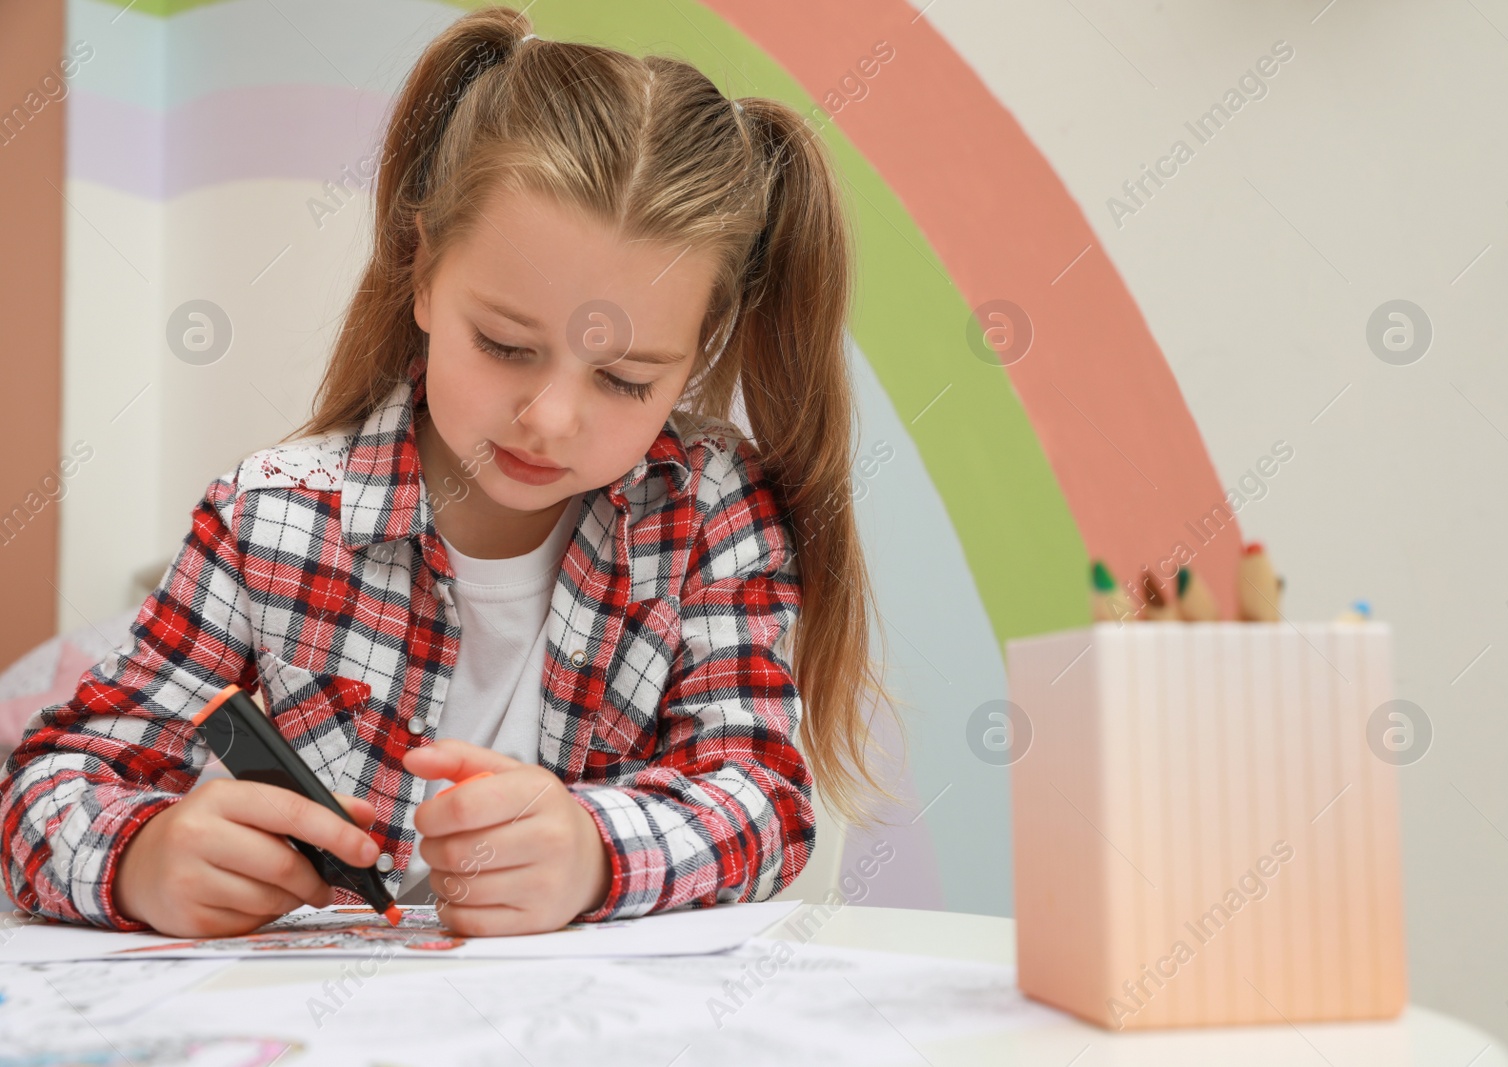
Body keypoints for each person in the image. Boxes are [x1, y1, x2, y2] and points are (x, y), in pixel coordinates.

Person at [0, 7, 895, 938]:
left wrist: (592, 852)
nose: (550, 419)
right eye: (506, 345)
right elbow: (46, 784)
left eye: (627, 380)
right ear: (423, 271)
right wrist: (142, 857)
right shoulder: (269, 520)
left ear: (699, 350)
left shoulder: (712, 513)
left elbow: (760, 800)